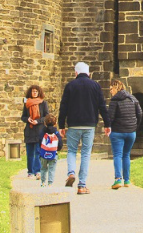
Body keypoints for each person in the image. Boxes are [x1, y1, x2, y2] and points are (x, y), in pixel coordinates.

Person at [57, 62, 110, 194]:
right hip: (89, 124)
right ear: (88, 73)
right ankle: (82, 185)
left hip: (73, 124)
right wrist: (107, 124)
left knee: (71, 151)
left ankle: (71, 173)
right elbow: (102, 106)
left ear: (76, 73)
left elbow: (63, 107)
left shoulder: (70, 86)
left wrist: (61, 125)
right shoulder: (95, 86)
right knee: (86, 153)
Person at [107, 79, 143, 189]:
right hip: (131, 132)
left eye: (111, 89)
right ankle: (127, 180)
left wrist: (108, 127)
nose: (110, 91)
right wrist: (135, 126)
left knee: (117, 155)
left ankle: (118, 179)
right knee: (126, 155)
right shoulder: (133, 98)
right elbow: (140, 113)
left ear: (116, 88)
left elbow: (110, 117)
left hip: (117, 132)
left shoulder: (114, 101)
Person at [20, 84, 48, 179]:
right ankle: (30, 171)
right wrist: (28, 119)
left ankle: (37, 171)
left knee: (38, 151)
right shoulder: (27, 103)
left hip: (39, 130)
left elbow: (46, 116)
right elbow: (23, 117)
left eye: (36, 91)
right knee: (30, 153)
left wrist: (38, 121)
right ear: (30, 92)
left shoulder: (43, 103)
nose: (35, 93)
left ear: (39, 92)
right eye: (33, 91)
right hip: (29, 130)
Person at [38, 114, 63, 186]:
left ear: (45, 123)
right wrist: (58, 149)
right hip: (53, 153)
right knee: (52, 168)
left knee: (43, 168)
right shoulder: (56, 132)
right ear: (55, 123)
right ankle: (50, 183)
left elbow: (40, 140)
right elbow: (60, 143)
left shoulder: (43, 131)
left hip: (43, 153)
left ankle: (43, 182)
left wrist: (41, 148)